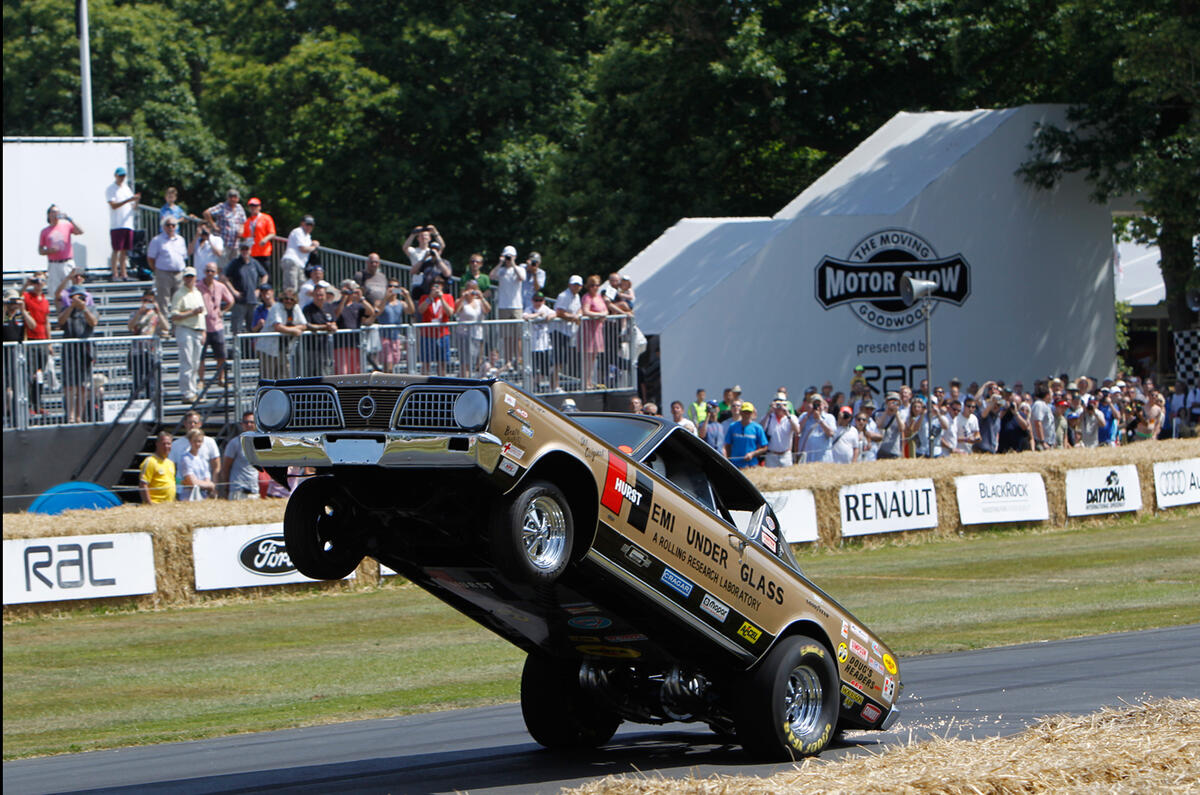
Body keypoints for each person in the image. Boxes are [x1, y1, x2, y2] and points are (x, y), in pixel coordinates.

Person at [56, 284, 98, 423]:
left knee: (82, 385)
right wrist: (71, 306)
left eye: (82, 297)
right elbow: (60, 321)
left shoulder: (91, 309)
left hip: (85, 351)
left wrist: (84, 308)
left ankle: (79, 416)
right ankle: (71, 416)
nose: (80, 299)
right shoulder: (66, 310)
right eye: (77, 297)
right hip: (69, 351)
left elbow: (93, 322)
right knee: (69, 386)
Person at [169, 267, 206, 402]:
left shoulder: (198, 293)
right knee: (187, 362)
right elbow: (174, 315)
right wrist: (192, 312)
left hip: (197, 329)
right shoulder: (179, 294)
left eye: (192, 276)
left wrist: (204, 331)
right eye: (187, 276)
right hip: (185, 329)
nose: (189, 279)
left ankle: (193, 390)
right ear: (184, 278)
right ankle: (186, 392)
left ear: (195, 278)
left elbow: (203, 314)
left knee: (195, 363)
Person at [197, 262, 235, 388]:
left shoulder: (220, 286)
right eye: (208, 270)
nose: (210, 273)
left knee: (221, 355)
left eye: (212, 271)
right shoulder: (198, 286)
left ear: (216, 273)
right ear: (204, 271)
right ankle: (201, 380)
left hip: (216, 325)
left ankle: (221, 378)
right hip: (202, 326)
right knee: (200, 357)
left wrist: (223, 311)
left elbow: (231, 300)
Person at [148, 217, 189, 332]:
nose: (171, 227)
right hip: (163, 273)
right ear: (163, 226)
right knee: (163, 301)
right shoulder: (157, 240)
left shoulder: (181, 240)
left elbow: (184, 256)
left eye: (173, 225)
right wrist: (157, 271)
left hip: (179, 274)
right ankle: (164, 328)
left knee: (179, 301)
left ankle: (178, 328)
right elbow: (151, 258)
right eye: (168, 225)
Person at [221, 239, 268, 336]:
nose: (245, 251)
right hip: (239, 302)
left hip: (253, 301)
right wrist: (233, 291)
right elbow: (223, 277)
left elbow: (265, 275)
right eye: (242, 249)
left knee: (252, 328)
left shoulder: (254, 263)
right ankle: (236, 350)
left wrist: (260, 289)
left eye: (246, 249)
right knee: (236, 330)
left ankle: (250, 350)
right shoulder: (235, 263)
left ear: (250, 250)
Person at [21, 273, 51, 415]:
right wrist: (27, 284)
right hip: (31, 340)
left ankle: (38, 403)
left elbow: (46, 321)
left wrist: (49, 342)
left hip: (42, 340)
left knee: (40, 375)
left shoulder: (44, 300)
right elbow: (17, 299)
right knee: (30, 375)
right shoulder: (27, 296)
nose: (39, 283)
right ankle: (29, 406)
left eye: (42, 281)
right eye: (37, 281)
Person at [261, 287, 306, 379]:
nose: (288, 301)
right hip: (269, 348)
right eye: (286, 298)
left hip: (284, 349)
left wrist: (293, 329)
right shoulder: (276, 307)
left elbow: (304, 325)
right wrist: (294, 330)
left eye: (291, 299)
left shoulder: (296, 307)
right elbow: (278, 327)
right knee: (268, 377)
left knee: (285, 375)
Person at [126, 289, 164, 396]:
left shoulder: (156, 314)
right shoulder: (135, 313)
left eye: (150, 301)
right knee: (137, 380)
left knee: (151, 382)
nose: (148, 303)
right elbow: (130, 326)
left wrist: (159, 312)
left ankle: (151, 403)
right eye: (146, 300)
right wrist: (139, 313)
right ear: (142, 300)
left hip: (152, 351)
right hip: (137, 351)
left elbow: (166, 327)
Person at [105, 166, 140, 280]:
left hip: (127, 223)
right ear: (115, 176)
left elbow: (132, 206)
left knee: (125, 250)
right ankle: (115, 272)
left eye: (123, 176)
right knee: (117, 249)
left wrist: (135, 202)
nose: (122, 178)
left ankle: (124, 273)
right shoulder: (111, 189)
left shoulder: (126, 188)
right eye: (120, 176)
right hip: (117, 224)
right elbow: (113, 205)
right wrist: (128, 200)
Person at [333, 281, 375, 374]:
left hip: (355, 343)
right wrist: (344, 298)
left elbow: (371, 312)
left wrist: (361, 298)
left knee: (355, 371)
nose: (349, 293)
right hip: (340, 344)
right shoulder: (335, 305)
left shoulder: (358, 306)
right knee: (342, 372)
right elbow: (336, 315)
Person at [38, 205, 84, 291]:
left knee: (70, 288)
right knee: (56, 290)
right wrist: (49, 251)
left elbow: (80, 231)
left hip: (67, 263)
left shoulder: (67, 225)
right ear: (48, 215)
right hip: (54, 264)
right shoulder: (45, 231)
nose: (56, 214)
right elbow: (40, 250)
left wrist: (70, 219)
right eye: (53, 212)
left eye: (57, 212)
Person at [417, 278, 454, 376]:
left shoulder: (448, 297)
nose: (436, 287)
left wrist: (441, 298)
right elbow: (420, 310)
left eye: (439, 285)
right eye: (434, 285)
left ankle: (442, 384)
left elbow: (450, 312)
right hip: (427, 335)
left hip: (442, 334)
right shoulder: (424, 297)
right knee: (426, 363)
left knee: (442, 363)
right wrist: (430, 298)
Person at [377, 280, 415, 373]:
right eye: (391, 286)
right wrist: (386, 298)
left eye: (396, 286)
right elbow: (378, 312)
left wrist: (407, 296)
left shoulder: (401, 303)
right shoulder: (380, 302)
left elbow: (411, 311)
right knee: (388, 363)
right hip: (384, 337)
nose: (393, 288)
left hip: (396, 337)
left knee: (395, 361)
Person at [222, 412, 261, 500]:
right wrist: (226, 488)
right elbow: (226, 467)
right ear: (241, 424)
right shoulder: (234, 443)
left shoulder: (260, 443)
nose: (249, 425)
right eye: (246, 422)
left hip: (254, 491)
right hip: (238, 491)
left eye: (251, 422)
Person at [301, 285, 338, 376]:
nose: (319, 297)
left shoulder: (329, 307)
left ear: (325, 295)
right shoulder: (307, 308)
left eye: (321, 295)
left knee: (324, 371)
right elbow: (308, 325)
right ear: (313, 295)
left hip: (324, 347)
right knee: (310, 373)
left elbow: (333, 321)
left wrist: (333, 326)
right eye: (317, 295)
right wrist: (325, 327)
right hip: (310, 348)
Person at [203, 189, 246, 266]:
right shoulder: (222, 206)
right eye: (231, 197)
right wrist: (213, 225)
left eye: (235, 197)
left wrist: (241, 229)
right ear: (228, 198)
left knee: (235, 268)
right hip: (224, 243)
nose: (233, 199)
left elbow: (243, 221)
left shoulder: (239, 207)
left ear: (238, 198)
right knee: (223, 268)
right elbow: (206, 213)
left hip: (235, 244)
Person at [552, 275, 583, 383]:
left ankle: (555, 384)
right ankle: (554, 385)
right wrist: (572, 317)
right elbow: (559, 312)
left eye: (578, 285)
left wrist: (578, 315)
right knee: (558, 359)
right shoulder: (563, 296)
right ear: (569, 285)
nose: (576, 287)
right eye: (574, 285)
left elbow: (579, 308)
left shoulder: (577, 296)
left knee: (562, 359)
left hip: (568, 332)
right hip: (559, 331)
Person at [580, 275, 608, 390]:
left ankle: (590, 380)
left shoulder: (599, 297)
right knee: (588, 356)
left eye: (597, 285)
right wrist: (599, 315)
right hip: (589, 329)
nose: (595, 287)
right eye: (592, 285)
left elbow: (605, 309)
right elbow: (585, 311)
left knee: (593, 356)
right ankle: (585, 382)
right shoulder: (587, 297)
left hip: (598, 329)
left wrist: (603, 315)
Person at [522, 291, 555, 386]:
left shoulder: (545, 308)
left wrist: (550, 316)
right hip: (533, 344)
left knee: (545, 366)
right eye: (536, 300)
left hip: (544, 344)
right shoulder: (529, 308)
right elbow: (525, 316)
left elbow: (555, 313)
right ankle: (533, 384)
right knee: (533, 366)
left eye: (540, 300)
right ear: (532, 300)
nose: (538, 302)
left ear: (543, 301)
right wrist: (537, 315)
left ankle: (537, 381)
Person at [280, 215, 319, 292]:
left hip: (300, 264)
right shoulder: (298, 231)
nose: (309, 227)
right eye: (307, 224)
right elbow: (303, 249)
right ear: (302, 224)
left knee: (302, 287)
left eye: (311, 225)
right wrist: (314, 247)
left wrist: (314, 243)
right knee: (291, 287)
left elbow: (309, 246)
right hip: (292, 261)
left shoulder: (307, 236)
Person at [725, 402, 768, 468]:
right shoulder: (733, 426)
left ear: (752, 413)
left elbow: (765, 447)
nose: (747, 414)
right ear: (741, 412)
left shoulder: (757, 428)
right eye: (745, 412)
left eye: (749, 412)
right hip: (735, 465)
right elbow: (727, 444)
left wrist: (752, 454)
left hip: (751, 465)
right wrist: (729, 459)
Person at [490, 246, 526, 321]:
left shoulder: (520, 269)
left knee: (518, 330)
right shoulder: (500, 270)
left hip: (516, 306)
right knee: (504, 331)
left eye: (510, 256)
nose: (508, 259)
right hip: (503, 306)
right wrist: (500, 263)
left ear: (515, 257)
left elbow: (521, 278)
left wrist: (513, 264)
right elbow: (491, 276)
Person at [179, 428, 216, 501]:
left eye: (199, 441)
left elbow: (207, 477)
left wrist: (207, 485)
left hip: (203, 497)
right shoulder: (185, 458)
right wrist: (210, 485)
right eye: (194, 441)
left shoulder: (202, 459)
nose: (197, 444)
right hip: (189, 498)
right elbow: (192, 482)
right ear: (190, 441)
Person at [797, 396, 836, 463]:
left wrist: (819, 419)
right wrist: (807, 415)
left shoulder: (829, 417)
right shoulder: (804, 416)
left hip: (823, 457)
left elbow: (831, 433)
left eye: (819, 404)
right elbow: (798, 431)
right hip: (807, 457)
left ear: (823, 405)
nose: (817, 407)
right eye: (815, 404)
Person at [140, 432, 177, 503]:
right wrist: (149, 504)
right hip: (155, 505)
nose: (166, 446)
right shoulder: (150, 461)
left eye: (169, 444)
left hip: (168, 505)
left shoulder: (170, 463)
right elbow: (143, 484)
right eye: (164, 444)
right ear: (157, 444)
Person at [761, 397, 799, 466]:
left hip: (786, 455)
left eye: (782, 405)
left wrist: (788, 414)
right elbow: (761, 429)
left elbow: (797, 431)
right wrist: (768, 413)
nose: (779, 408)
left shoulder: (791, 417)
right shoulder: (769, 417)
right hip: (771, 455)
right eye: (777, 405)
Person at [240, 197, 276, 265]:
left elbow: (272, 233)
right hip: (251, 253)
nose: (253, 208)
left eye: (255, 206)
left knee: (265, 274)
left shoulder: (266, 218)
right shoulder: (247, 221)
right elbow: (245, 237)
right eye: (251, 206)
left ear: (259, 207)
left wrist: (265, 239)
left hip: (264, 252)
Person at [997, 388, 1032, 453]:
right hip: (1003, 449)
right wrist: (1005, 409)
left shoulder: (1021, 414)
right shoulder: (1001, 411)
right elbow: (997, 419)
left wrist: (1016, 413)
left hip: (1017, 450)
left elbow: (1025, 427)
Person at [874, 392, 904, 459]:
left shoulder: (901, 414)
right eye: (891, 401)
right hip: (881, 449)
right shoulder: (879, 414)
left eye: (895, 402)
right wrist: (886, 411)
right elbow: (879, 426)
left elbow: (902, 429)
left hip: (894, 449)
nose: (893, 404)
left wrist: (896, 413)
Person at [1031, 384, 1055, 450]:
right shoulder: (1039, 404)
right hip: (1041, 442)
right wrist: (1042, 441)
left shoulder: (1046, 405)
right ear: (1047, 395)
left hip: (1048, 442)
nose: (1052, 395)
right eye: (1051, 393)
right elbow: (1038, 423)